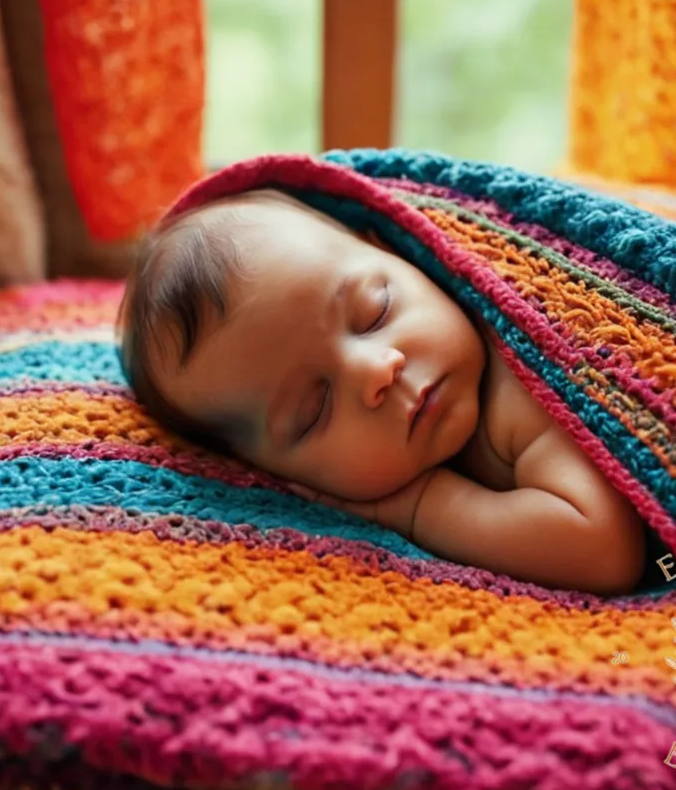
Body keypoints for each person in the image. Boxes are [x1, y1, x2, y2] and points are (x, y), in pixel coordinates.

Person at [117, 186, 647, 595]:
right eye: (315, 408)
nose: (377, 371)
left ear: (395, 251)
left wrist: (423, 509)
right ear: (276, 474)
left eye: (376, 312)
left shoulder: (515, 386)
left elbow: (604, 550)